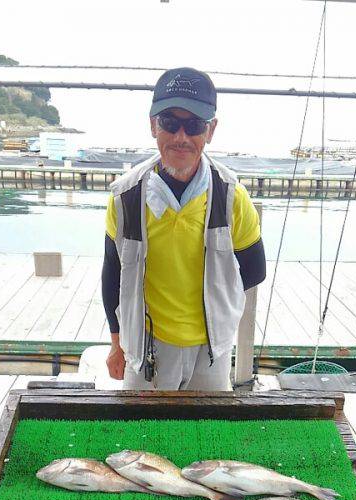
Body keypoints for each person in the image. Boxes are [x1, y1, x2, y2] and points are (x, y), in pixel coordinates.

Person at [102, 67, 266, 390]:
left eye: (194, 125)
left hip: (210, 350)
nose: (181, 137)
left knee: (209, 437)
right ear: (153, 125)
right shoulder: (125, 197)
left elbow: (255, 268)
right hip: (144, 345)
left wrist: (215, 301)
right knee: (141, 435)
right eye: (169, 122)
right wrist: (116, 342)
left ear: (210, 130)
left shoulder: (232, 197)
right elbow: (112, 273)